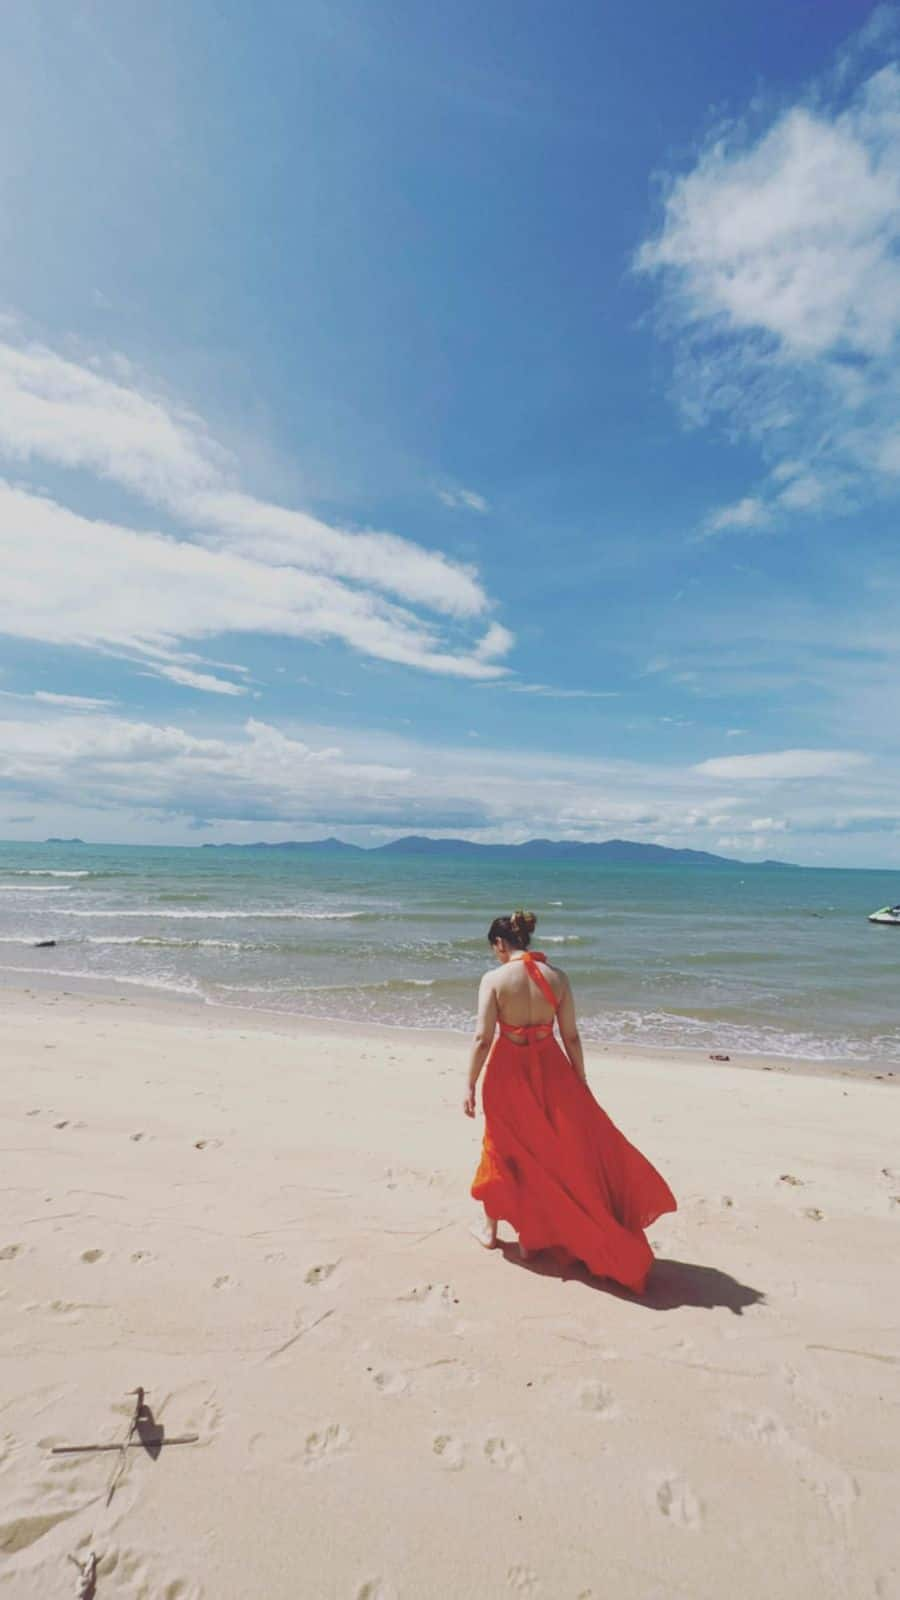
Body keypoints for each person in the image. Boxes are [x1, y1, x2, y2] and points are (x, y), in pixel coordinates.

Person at [465, 909, 676, 1294]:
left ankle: (491, 1230)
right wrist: (579, 1080)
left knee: (502, 1147)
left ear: (499, 944)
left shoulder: (494, 979)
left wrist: (469, 1083)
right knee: (544, 1153)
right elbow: (572, 1036)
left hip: (508, 1072)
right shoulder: (558, 978)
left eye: (494, 948)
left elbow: (482, 1038)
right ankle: (530, 1239)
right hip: (553, 1071)